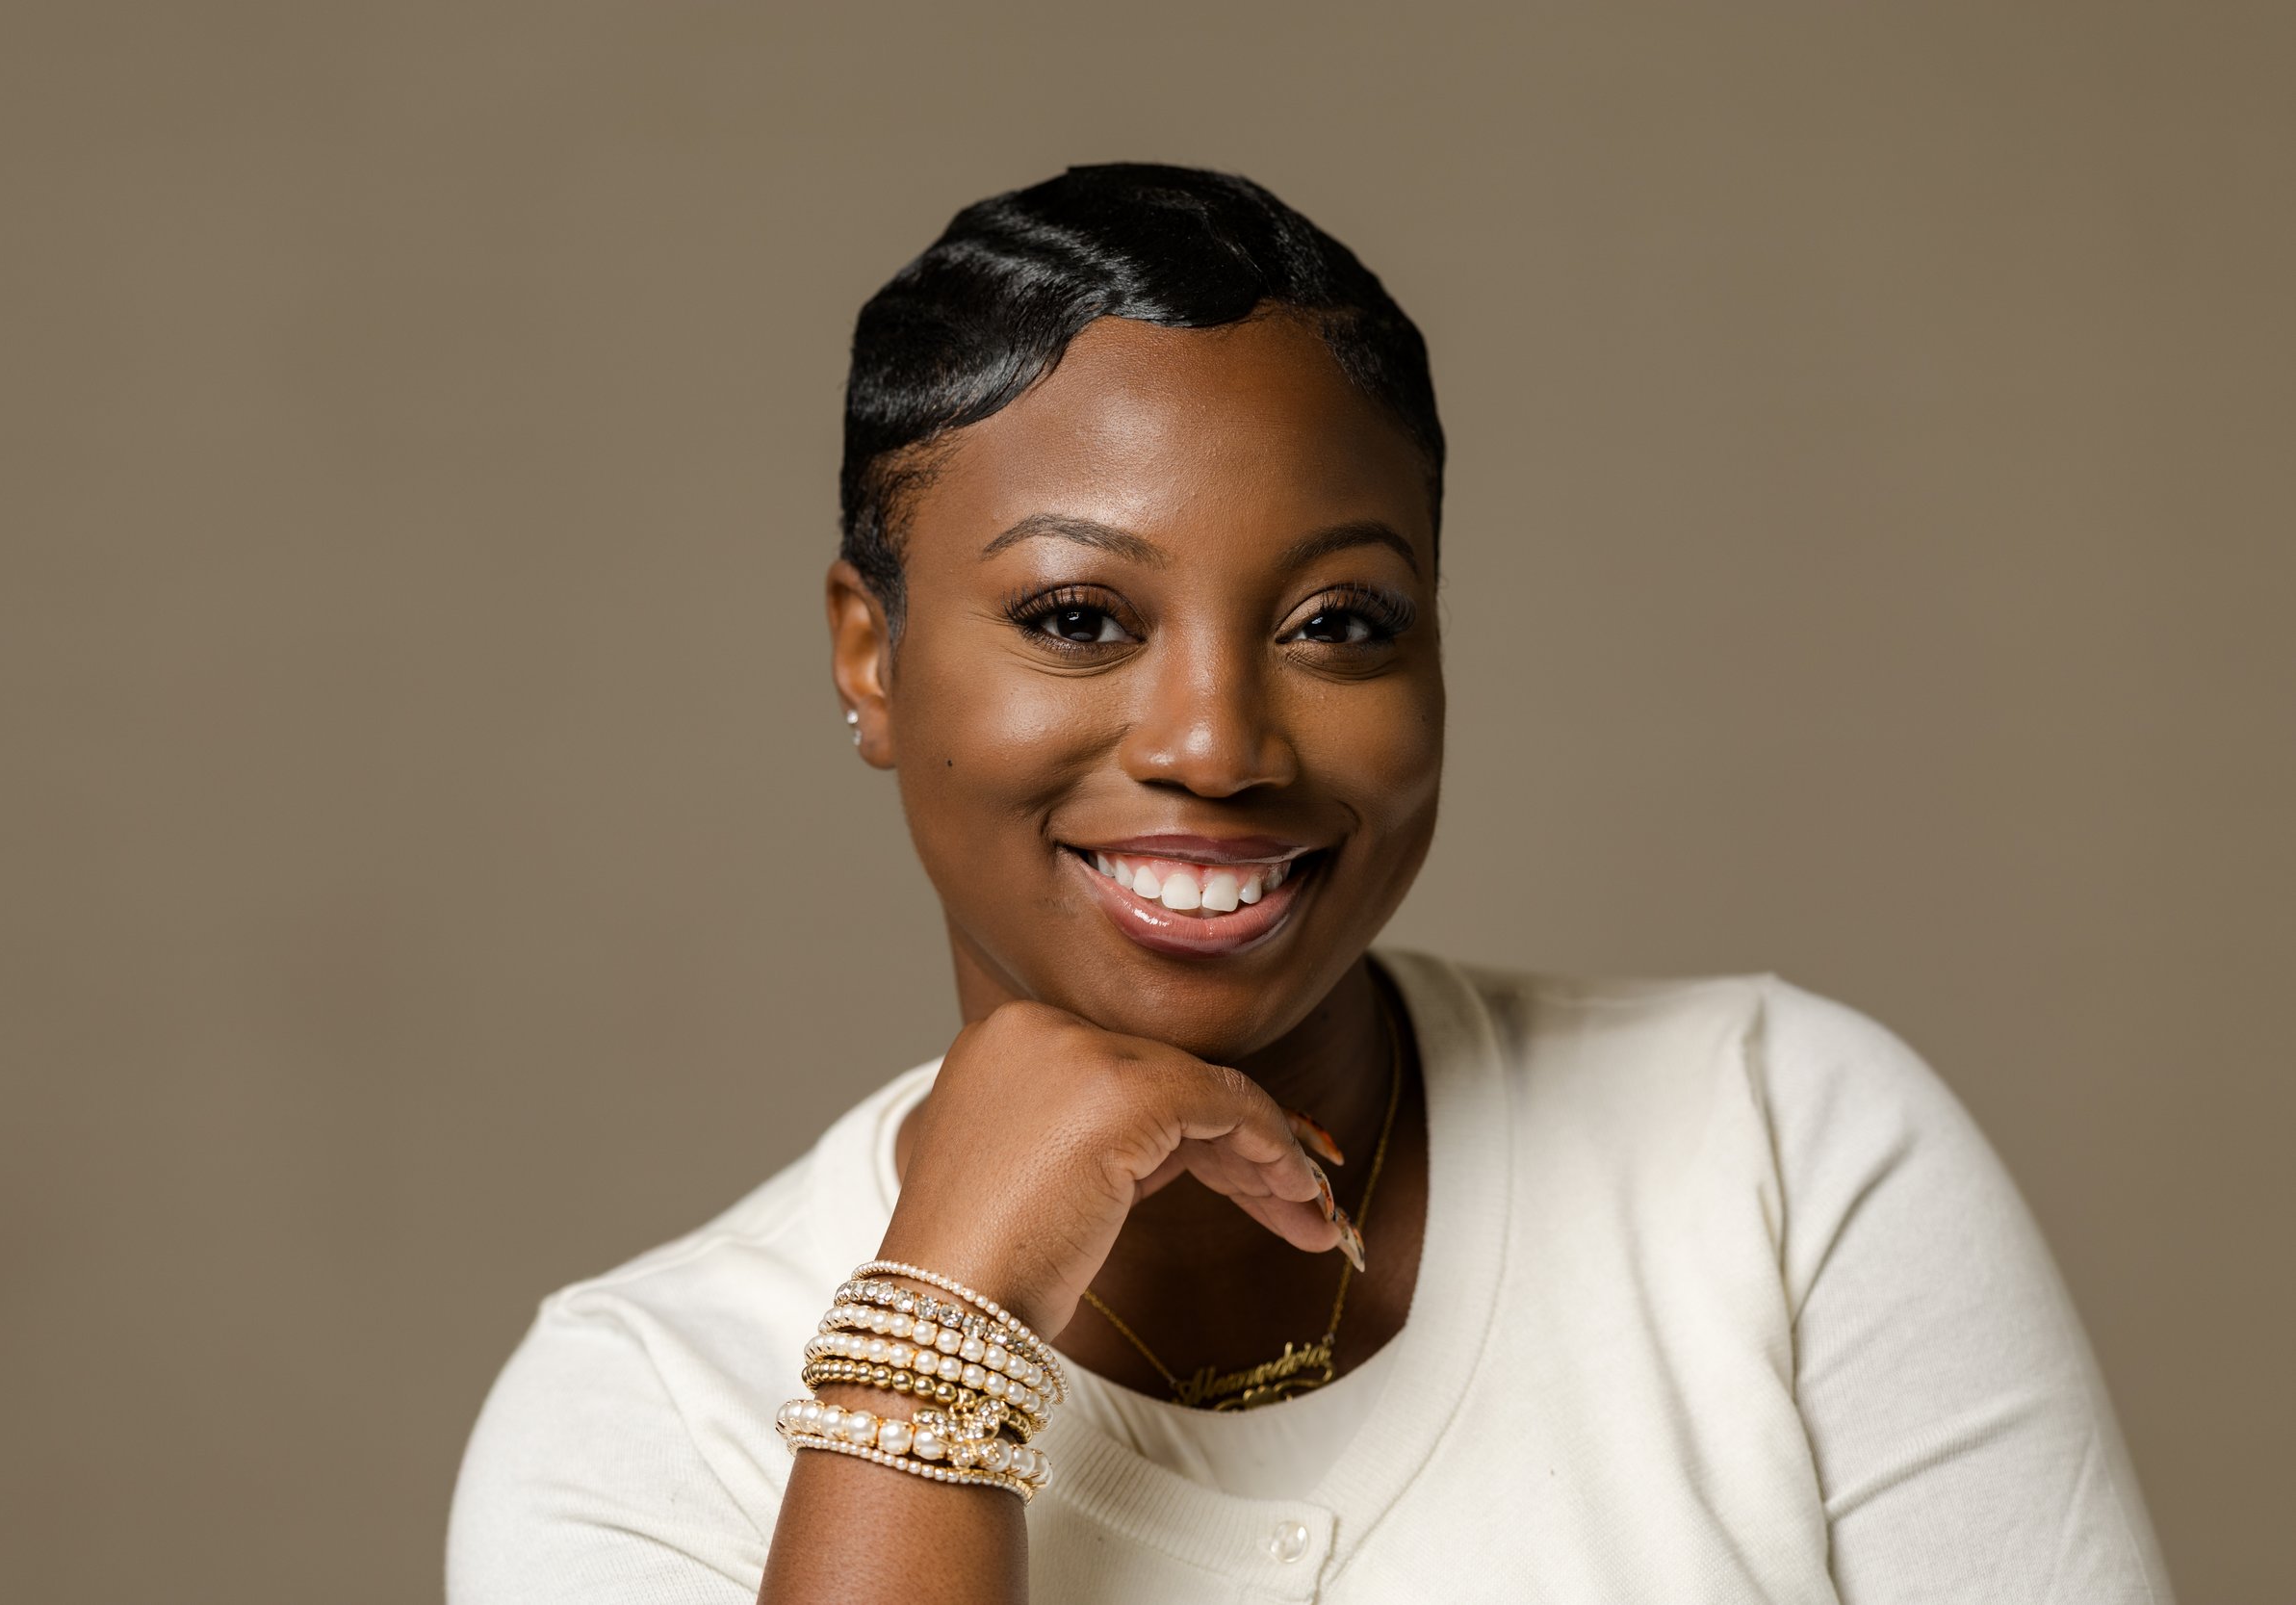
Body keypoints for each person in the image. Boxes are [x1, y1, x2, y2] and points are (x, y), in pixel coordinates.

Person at [446, 163, 2173, 1604]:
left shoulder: (1777, 1152)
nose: (1218, 742)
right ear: (871, 657)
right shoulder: (640, 1417)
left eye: (1338, 622)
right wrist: (944, 1323)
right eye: (1076, 618)